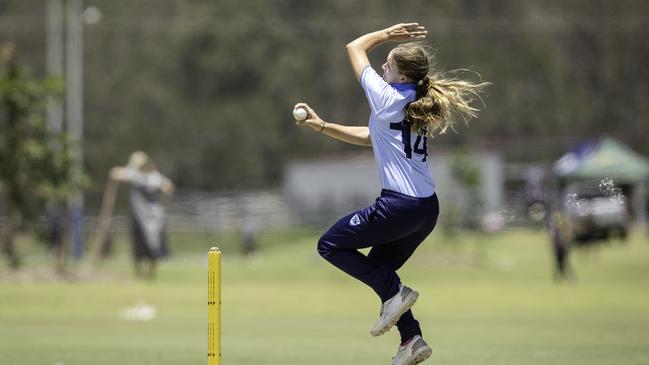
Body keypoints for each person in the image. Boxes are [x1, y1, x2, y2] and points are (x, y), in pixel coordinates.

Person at [294, 23, 489, 365]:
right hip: (426, 211)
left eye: (387, 65)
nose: (382, 68)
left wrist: (385, 34)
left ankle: (395, 297)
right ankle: (411, 338)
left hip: (398, 206)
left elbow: (354, 47)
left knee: (329, 244)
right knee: (381, 269)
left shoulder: (387, 97)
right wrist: (323, 126)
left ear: (400, 75)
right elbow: (371, 137)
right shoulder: (413, 101)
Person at [110, 151, 174, 279]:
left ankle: (150, 274)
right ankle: (139, 274)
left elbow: (168, 186)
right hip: (139, 218)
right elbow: (117, 173)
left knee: (152, 247)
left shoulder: (151, 177)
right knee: (138, 247)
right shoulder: (139, 175)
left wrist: (162, 202)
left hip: (152, 220)